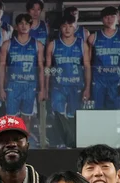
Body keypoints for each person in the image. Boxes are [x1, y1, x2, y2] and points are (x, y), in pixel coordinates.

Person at [45, 16, 88, 148]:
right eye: (64, 26)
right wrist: (46, 87)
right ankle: (59, 142)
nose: (67, 29)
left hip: (76, 86)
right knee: (58, 115)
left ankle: (73, 142)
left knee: (73, 116)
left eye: (70, 26)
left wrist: (87, 88)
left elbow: (87, 67)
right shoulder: (53, 44)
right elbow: (48, 68)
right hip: (59, 86)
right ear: (60, 28)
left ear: (75, 27)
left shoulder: (82, 44)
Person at [0, 14, 44, 138]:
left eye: (27, 24)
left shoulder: (37, 45)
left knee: (27, 118)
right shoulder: (7, 44)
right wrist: (1, 88)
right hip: (13, 85)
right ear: (16, 26)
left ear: (31, 26)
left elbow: (41, 68)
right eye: (21, 23)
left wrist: (42, 89)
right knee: (11, 119)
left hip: (30, 86)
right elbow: (2, 68)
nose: (24, 26)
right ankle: (11, 142)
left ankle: (24, 142)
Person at [85, 6, 120, 110]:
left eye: (112, 16)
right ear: (102, 19)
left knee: (118, 116)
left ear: (117, 17)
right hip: (98, 82)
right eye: (106, 17)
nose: (109, 19)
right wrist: (87, 86)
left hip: (116, 82)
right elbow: (87, 63)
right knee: (98, 115)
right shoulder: (93, 37)